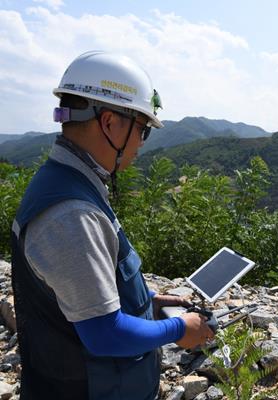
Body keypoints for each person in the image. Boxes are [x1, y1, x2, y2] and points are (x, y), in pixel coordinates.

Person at [10, 51, 215, 400]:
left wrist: (147, 301)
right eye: (143, 130)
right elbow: (105, 334)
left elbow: (86, 288)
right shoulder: (72, 214)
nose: (140, 144)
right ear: (109, 123)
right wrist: (180, 328)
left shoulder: (72, 183)